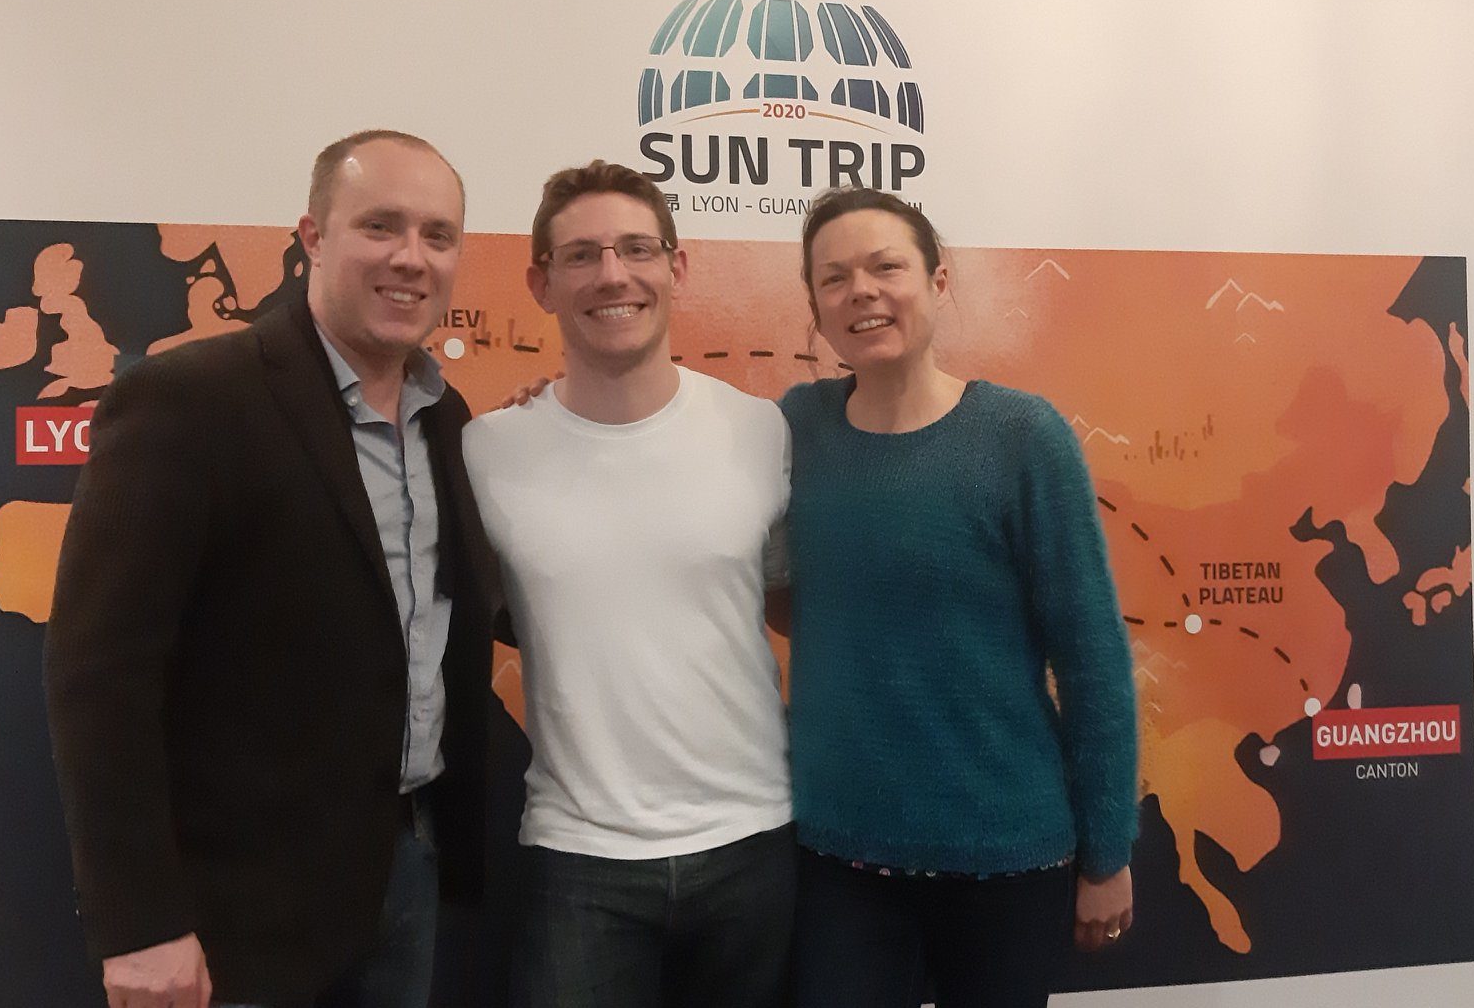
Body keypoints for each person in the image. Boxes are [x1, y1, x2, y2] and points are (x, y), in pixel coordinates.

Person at [44, 130, 499, 1008]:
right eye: (380, 226)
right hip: (234, 915)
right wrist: (139, 923)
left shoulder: (446, 420)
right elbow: (99, 676)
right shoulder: (189, 400)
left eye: (437, 235)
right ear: (312, 237)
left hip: (403, 873)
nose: (411, 257)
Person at [780, 187, 1139, 1008]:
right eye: (834, 278)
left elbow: (1091, 661)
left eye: (885, 267)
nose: (861, 292)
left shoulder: (1021, 438)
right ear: (816, 307)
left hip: (1006, 860)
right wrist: (559, 405)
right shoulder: (796, 427)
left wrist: (1107, 854)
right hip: (838, 862)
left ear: (937, 281)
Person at [462, 160, 794, 1008]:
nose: (612, 274)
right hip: (577, 861)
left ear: (675, 267)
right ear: (540, 283)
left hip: (755, 844)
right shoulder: (485, 452)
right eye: (581, 255)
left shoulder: (760, 431)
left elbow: (798, 601)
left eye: (636, 249)